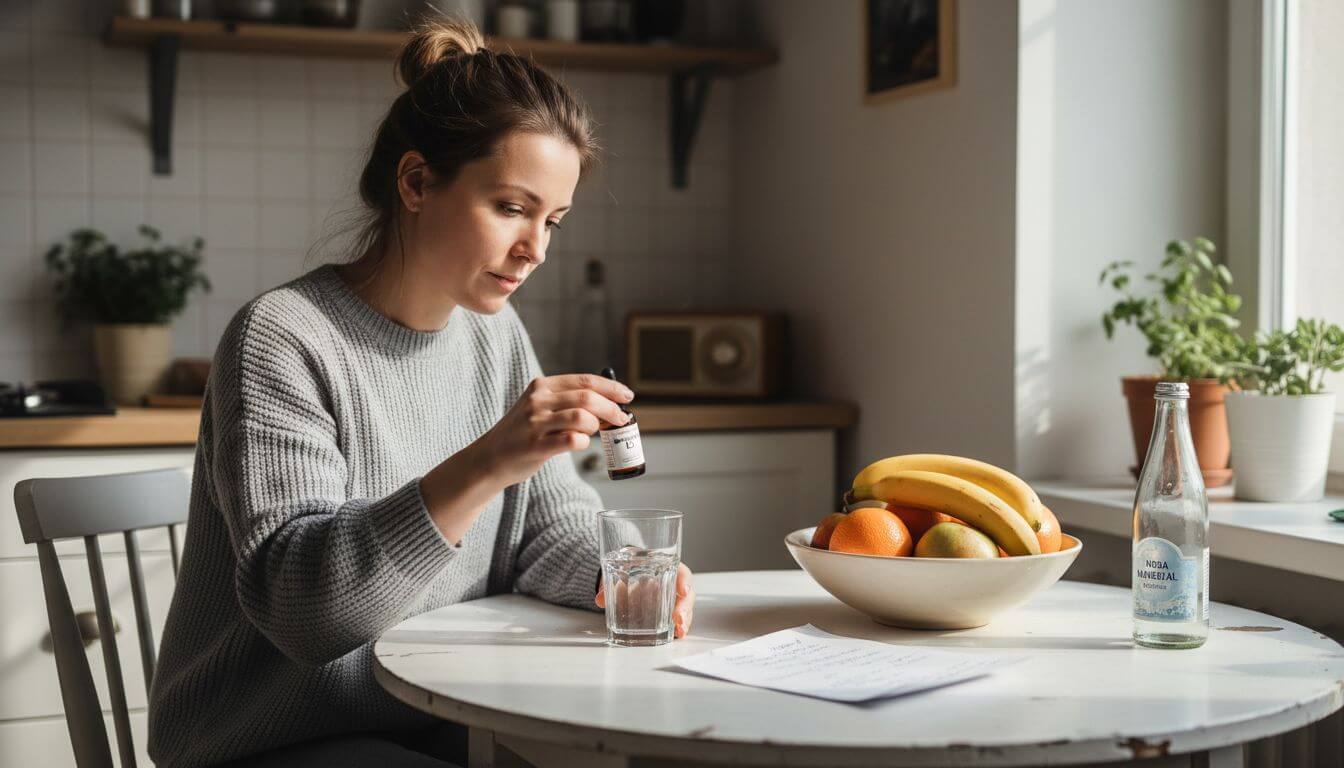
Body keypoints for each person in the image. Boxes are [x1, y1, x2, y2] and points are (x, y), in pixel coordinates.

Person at [147, 17, 695, 767]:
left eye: (553, 220)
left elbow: (546, 528)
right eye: (510, 208)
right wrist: (490, 458)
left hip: (430, 718)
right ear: (416, 182)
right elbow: (306, 617)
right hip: (266, 739)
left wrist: (621, 574)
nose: (535, 249)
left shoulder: (495, 337)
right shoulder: (283, 338)